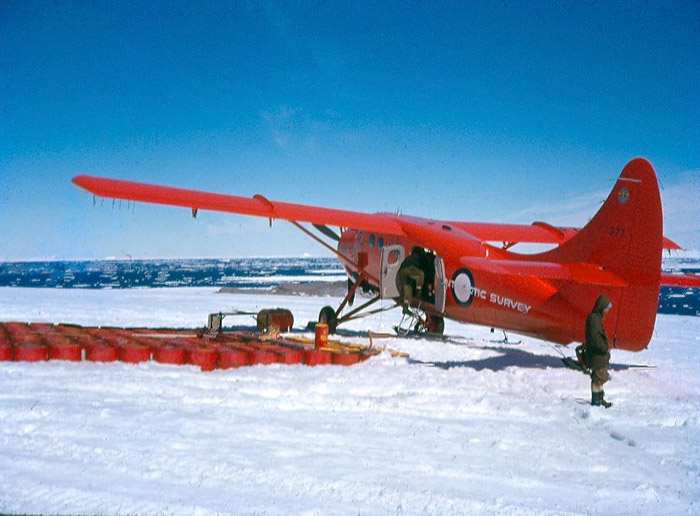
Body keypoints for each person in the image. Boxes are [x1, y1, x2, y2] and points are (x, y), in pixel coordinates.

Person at [585, 294, 613, 408]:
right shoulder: (594, 319)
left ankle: (599, 399)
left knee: (599, 378)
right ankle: (596, 400)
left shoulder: (595, 318)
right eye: (606, 309)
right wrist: (604, 348)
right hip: (596, 354)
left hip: (597, 355)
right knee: (598, 378)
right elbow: (595, 338)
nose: (606, 312)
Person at [398, 247, 425, 313]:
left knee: (408, 287)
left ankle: (405, 307)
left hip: (401, 271)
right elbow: (419, 267)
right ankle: (418, 293)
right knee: (421, 275)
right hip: (408, 269)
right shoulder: (416, 257)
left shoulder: (410, 257)